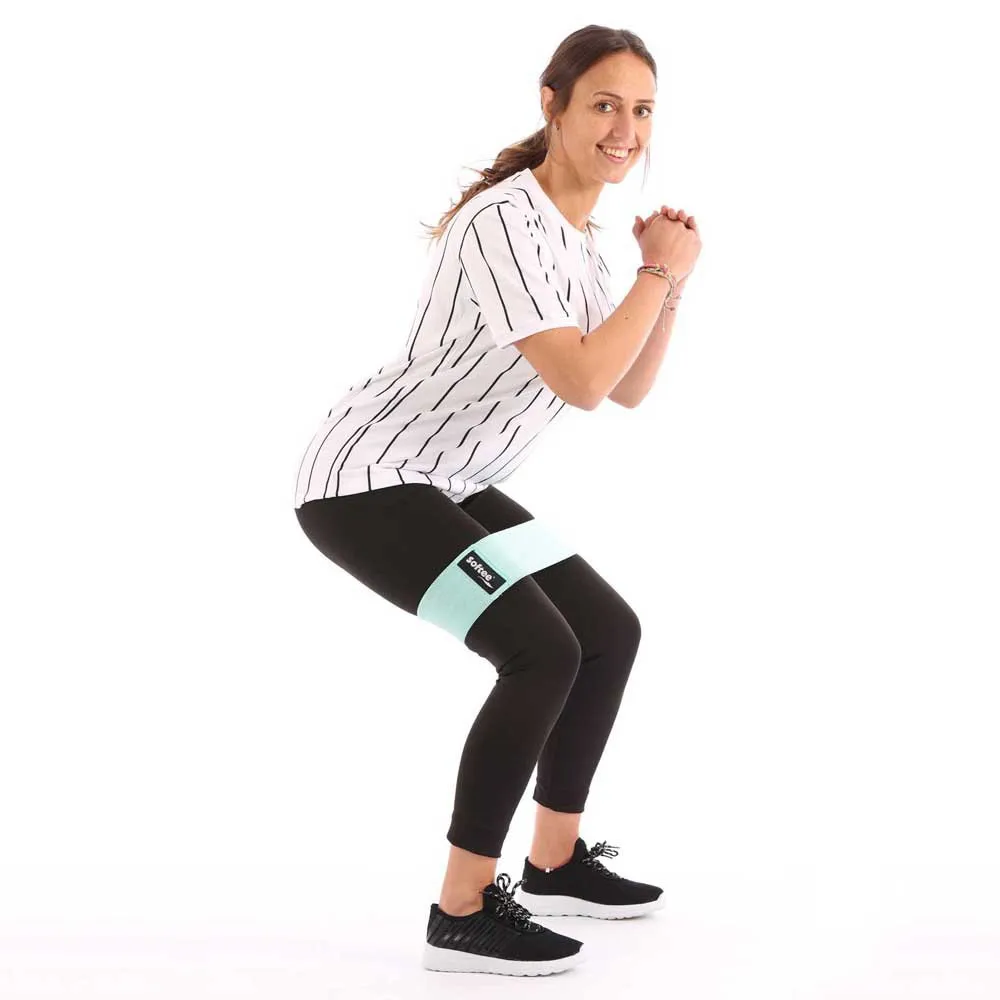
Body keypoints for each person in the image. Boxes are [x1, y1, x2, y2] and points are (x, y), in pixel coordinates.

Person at [293, 24, 701, 977]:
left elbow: (629, 388)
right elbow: (584, 381)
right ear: (552, 104)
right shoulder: (503, 221)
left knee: (606, 632)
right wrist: (656, 271)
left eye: (642, 110)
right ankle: (462, 908)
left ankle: (553, 862)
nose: (625, 129)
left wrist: (668, 283)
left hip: (452, 479)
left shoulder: (584, 248)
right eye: (605, 104)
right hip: (367, 479)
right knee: (539, 648)